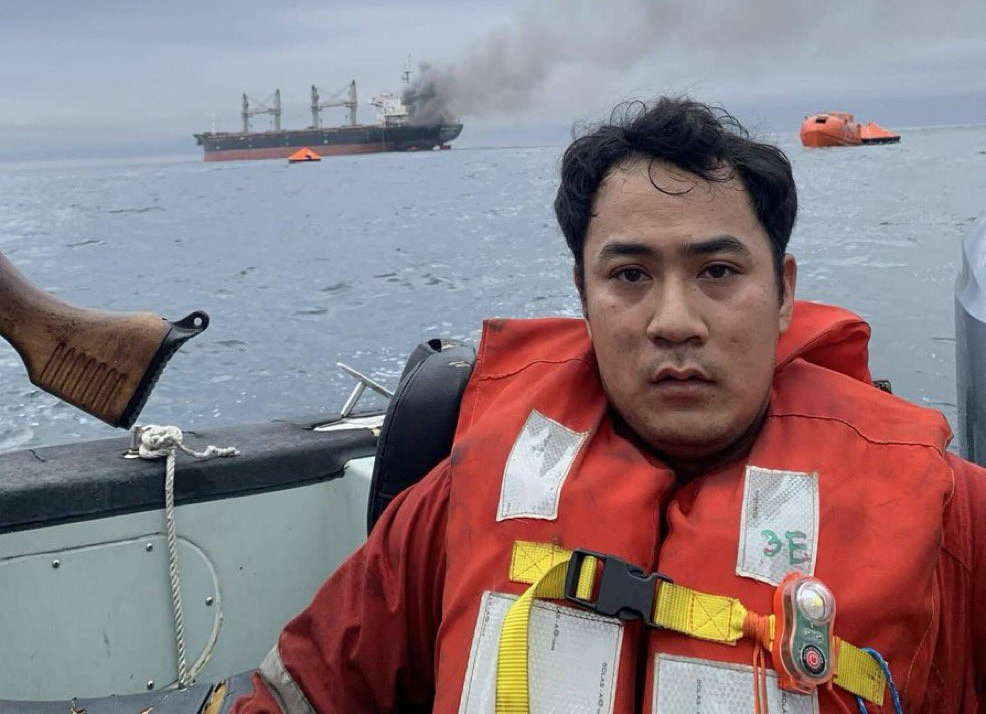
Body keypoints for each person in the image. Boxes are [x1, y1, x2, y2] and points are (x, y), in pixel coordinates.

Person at [234, 97, 986, 714]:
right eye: (629, 275)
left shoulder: (951, 515)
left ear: (785, 292)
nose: (674, 319)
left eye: (718, 270)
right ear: (583, 298)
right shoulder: (461, 498)